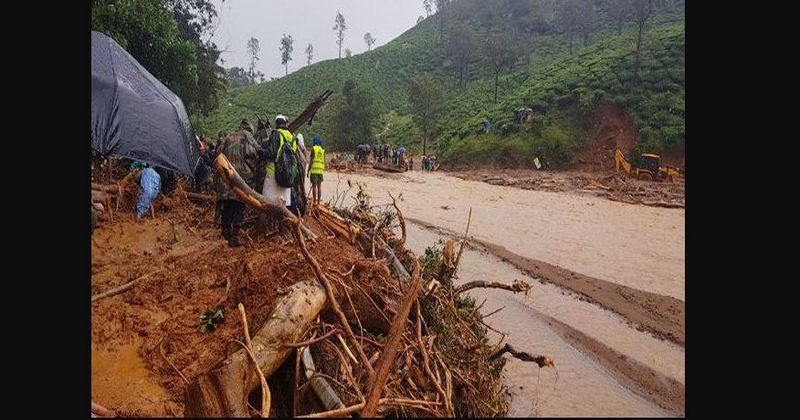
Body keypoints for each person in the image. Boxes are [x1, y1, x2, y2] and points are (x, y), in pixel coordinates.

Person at [215, 126, 260, 247]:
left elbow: (217, 152)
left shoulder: (229, 135)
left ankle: (226, 232)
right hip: (240, 180)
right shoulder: (248, 136)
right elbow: (255, 152)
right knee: (239, 207)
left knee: (228, 207)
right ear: (250, 129)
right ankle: (235, 236)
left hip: (225, 180)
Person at [260, 114, 297, 213]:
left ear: (276, 124)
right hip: (287, 177)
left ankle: (265, 228)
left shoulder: (276, 133)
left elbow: (272, 154)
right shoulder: (292, 137)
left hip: (273, 174)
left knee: (266, 205)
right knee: (283, 207)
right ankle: (280, 228)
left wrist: (260, 151)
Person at [308, 135, 326, 206]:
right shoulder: (323, 150)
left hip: (314, 170)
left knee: (314, 187)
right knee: (319, 187)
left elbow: (311, 161)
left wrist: (308, 170)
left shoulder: (313, 149)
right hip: (320, 171)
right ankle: (318, 202)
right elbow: (323, 160)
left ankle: (314, 202)